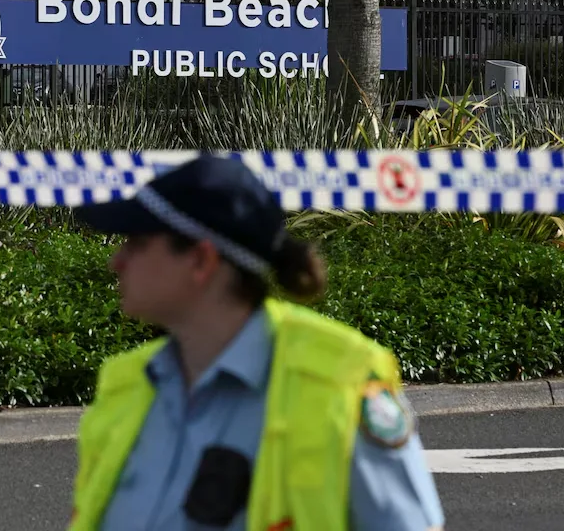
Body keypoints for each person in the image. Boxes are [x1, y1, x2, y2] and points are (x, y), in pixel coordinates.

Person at [67, 153, 445, 531]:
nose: (116, 261)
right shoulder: (125, 384)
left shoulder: (339, 384)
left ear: (201, 260)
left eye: (137, 243)